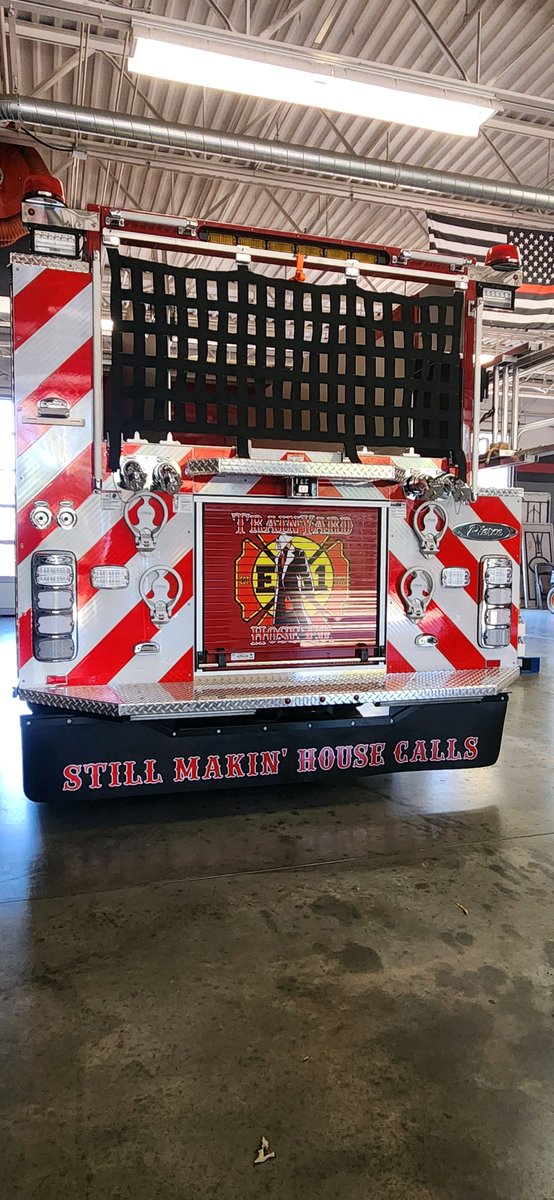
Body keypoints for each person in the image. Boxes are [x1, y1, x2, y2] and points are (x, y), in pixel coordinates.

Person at [273, 533, 314, 629]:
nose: (278, 544)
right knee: (280, 617)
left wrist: (309, 592)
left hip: (293, 591)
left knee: (299, 614)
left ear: (287, 541)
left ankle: (307, 630)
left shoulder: (298, 553)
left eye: (279, 541)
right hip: (281, 593)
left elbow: (306, 574)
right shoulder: (279, 556)